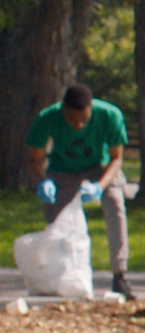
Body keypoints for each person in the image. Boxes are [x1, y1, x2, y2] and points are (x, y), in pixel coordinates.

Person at [25, 84, 132, 299]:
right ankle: (58, 274)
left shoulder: (110, 115)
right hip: (62, 168)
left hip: (99, 167)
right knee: (55, 219)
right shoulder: (47, 118)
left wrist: (99, 187)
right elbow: (34, 159)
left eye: (83, 119)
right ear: (63, 109)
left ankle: (120, 274)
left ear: (91, 109)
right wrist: (42, 181)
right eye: (72, 119)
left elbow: (116, 158)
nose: (78, 125)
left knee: (116, 206)